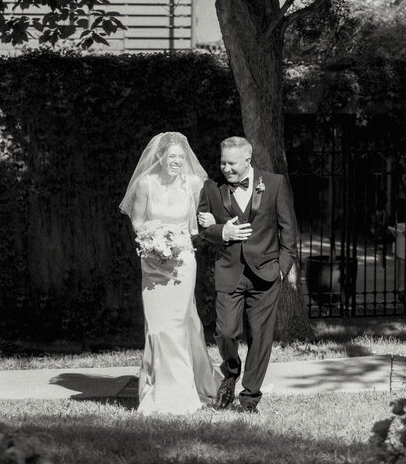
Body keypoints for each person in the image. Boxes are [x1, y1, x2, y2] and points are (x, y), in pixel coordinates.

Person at [120, 131, 220, 414]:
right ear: (160, 157)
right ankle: (156, 385)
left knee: (178, 323)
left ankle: (183, 389)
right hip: (152, 263)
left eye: (180, 157)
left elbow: (200, 223)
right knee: (157, 325)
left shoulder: (193, 183)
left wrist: (185, 236)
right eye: (171, 156)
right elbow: (138, 221)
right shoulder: (145, 184)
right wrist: (152, 240)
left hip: (182, 261)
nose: (176, 161)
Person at [196, 136, 298, 413]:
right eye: (222, 162)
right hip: (229, 271)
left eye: (231, 163)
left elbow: (288, 229)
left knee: (260, 337)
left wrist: (282, 268)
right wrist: (222, 232)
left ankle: (250, 398)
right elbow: (202, 227)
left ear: (248, 161)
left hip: (266, 274)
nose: (225, 168)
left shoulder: (274, 184)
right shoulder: (211, 188)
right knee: (226, 331)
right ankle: (231, 372)